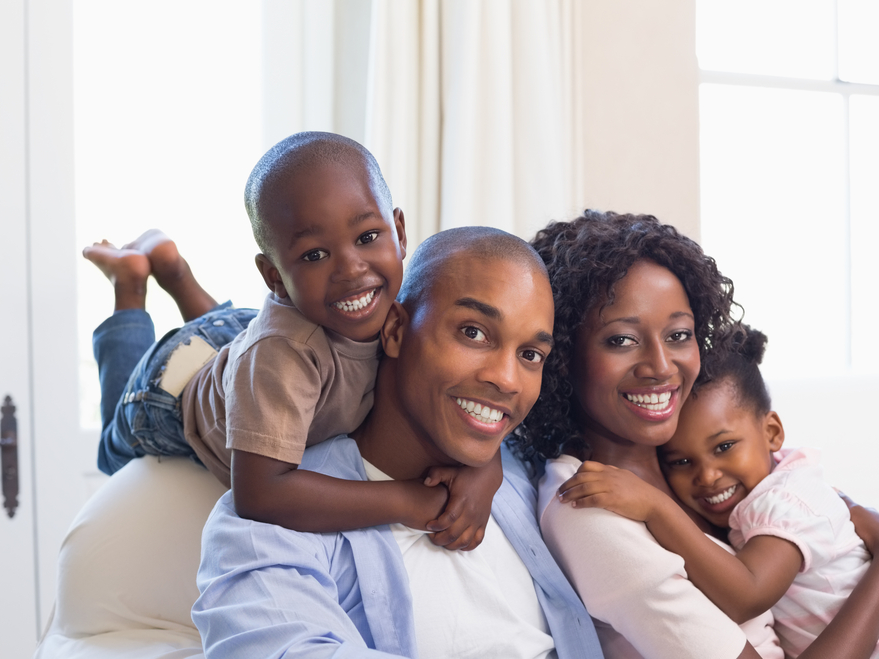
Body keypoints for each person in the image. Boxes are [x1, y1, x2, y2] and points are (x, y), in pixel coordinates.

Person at [512, 210, 879, 659]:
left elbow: (833, 559)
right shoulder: (591, 507)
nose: (661, 367)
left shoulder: (676, 452)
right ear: (562, 354)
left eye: (679, 334)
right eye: (621, 340)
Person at [192, 226, 604, 658]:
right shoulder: (265, 521)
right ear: (394, 330)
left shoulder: (527, 472)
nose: (507, 379)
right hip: (198, 384)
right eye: (473, 332)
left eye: (530, 355)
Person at [84, 131, 499, 546]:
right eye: (315, 255)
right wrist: (408, 501)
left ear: (400, 231)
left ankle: (175, 272)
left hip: (242, 337)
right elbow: (260, 493)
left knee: (242, 341)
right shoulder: (284, 357)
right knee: (111, 449)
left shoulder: (399, 309)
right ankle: (130, 283)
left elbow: (479, 392)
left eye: (368, 237)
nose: (353, 269)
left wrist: (486, 471)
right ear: (274, 277)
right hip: (172, 386)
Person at [558, 323, 879, 658]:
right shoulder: (751, 507)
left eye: (724, 447)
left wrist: (655, 507)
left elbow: (747, 593)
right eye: (681, 461)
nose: (707, 476)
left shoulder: (784, 500)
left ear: (772, 431)